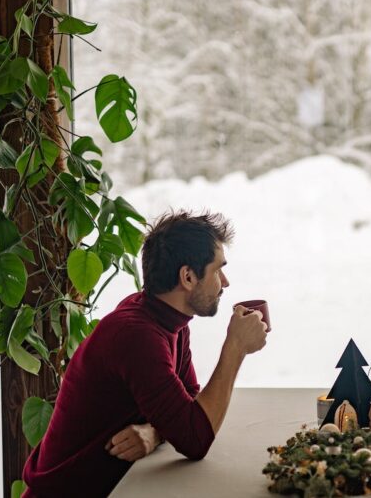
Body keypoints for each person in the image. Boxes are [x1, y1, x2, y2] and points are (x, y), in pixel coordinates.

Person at [22, 210, 268, 497]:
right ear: (187, 277)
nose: (224, 282)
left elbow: (187, 398)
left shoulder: (165, 317)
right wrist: (235, 347)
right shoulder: (136, 335)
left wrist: (154, 432)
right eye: (217, 270)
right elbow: (195, 440)